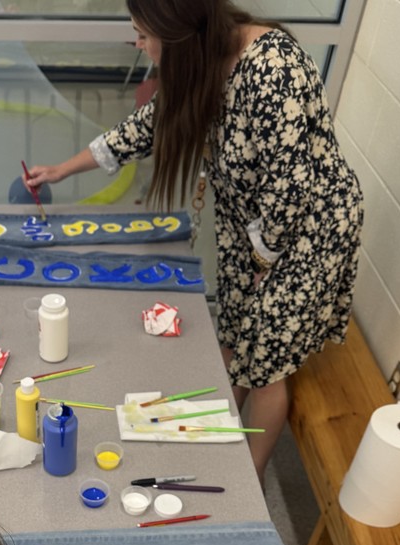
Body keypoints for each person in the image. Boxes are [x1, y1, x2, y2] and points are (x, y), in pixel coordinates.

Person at [25, 0, 363, 487]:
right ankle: (218, 423)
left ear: (179, 33)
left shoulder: (274, 71)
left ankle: (248, 482)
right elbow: (141, 129)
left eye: (143, 34)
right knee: (235, 330)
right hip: (254, 225)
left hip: (307, 232)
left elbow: (291, 190)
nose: (137, 43)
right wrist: (61, 169)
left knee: (266, 363)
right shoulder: (205, 57)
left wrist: (263, 257)